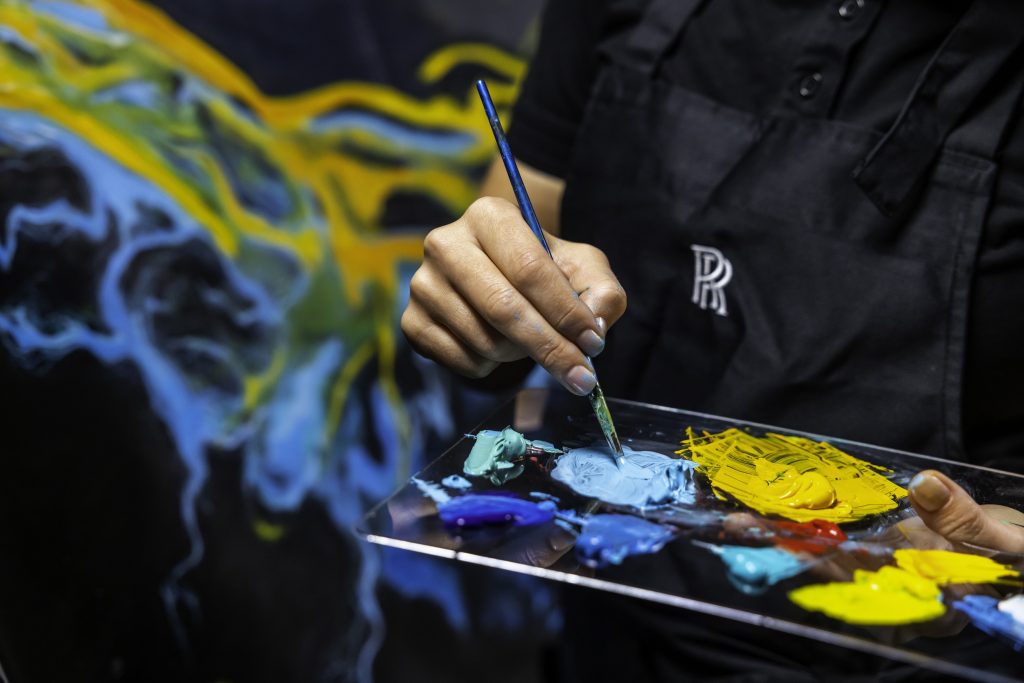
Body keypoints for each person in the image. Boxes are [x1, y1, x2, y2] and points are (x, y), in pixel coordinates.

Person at [402, 0, 1024, 677]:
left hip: (907, 648)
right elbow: (515, 256)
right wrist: (484, 303)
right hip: (606, 610)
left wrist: (1005, 551)